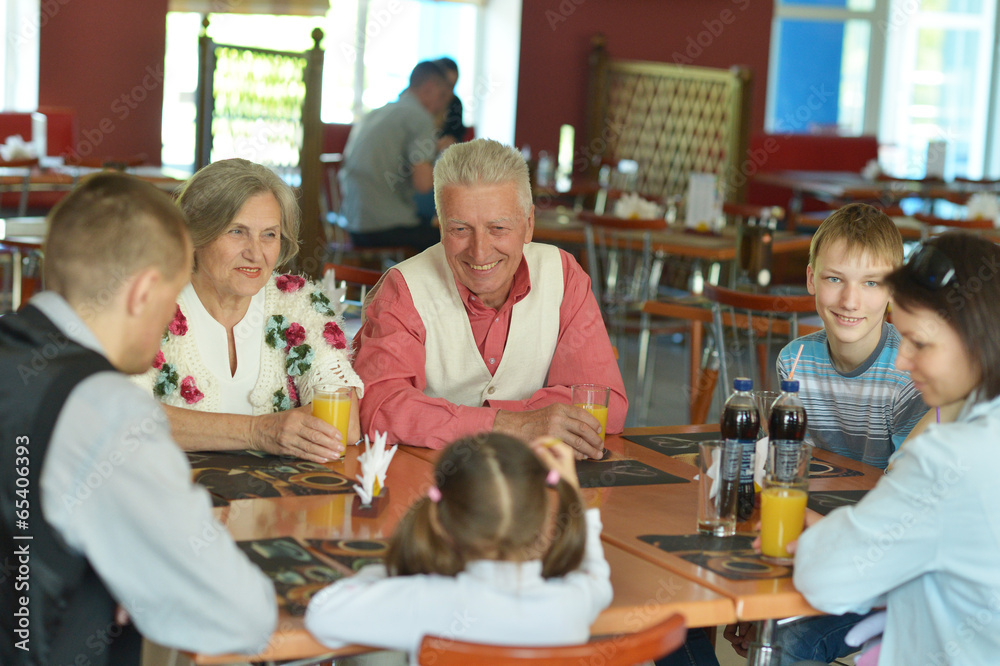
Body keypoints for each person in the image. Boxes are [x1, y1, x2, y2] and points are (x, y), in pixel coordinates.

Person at [0, 173, 277, 665]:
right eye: (172, 296)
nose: (171, 313)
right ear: (143, 291)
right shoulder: (108, 410)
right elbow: (240, 616)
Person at [724, 203, 927, 665]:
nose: (850, 301)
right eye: (836, 279)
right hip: (811, 537)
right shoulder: (794, 360)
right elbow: (787, 469)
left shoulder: (909, 372)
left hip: (878, 561)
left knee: (790, 643)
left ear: (893, 289)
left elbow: (902, 496)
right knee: (699, 597)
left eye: (871, 283)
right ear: (812, 279)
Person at [793, 232, 1000, 664]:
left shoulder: (947, 457)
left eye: (920, 343)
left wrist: (826, 538)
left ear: (979, 338)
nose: (903, 361)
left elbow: (826, 580)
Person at [353, 138, 627, 457]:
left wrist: (453, 419)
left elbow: (604, 404)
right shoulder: (404, 289)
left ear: (528, 225)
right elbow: (378, 407)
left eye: (497, 228)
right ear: (441, 227)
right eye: (460, 230)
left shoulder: (564, 275)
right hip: (428, 487)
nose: (480, 251)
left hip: (538, 487)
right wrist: (513, 424)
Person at [132, 158, 364, 463]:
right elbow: (126, 418)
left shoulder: (297, 302)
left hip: (275, 504)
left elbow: (344, 423)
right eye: (237, 231)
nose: (255, 253)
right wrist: (259, 432)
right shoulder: (147, 303)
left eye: (269, 234)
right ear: (194, 234)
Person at [304, 433, 612, 661]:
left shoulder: (427, 600)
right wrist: (576, 497)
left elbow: (321, 613)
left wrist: (385, 574)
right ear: (545, 516)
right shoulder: (571, 603)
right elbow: (596, 578)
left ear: (440, 521)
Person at [339, 60, 452, 252]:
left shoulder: (375, 113)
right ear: (429, 88)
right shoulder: (420, 117)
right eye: (442, 97)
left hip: (353, 226)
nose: (442, 108)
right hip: (386, 229)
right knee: (455, 238)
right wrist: (450, 162)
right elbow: (423, 183)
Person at [434, 57, 465, 152]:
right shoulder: (418, 102)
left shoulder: (455, 103)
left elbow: (456, 137)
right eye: (447, 85)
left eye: (453, 86)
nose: (449, 92)